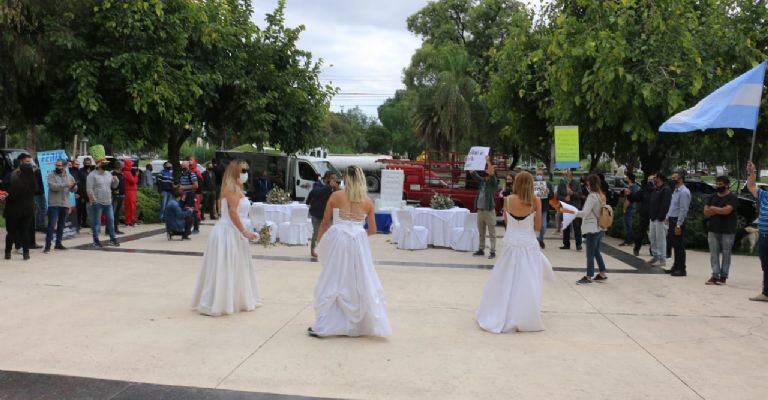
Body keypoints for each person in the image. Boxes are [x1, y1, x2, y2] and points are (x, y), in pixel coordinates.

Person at [308, 165, 391, 338]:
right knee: (359, 279)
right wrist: (358, 235)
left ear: (346, 178)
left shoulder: (336, 196)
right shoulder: (368, 201)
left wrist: (319, 243)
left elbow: (324, 222)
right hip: (358, 242)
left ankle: (330, 322)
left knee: (335, 278)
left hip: (339, 239)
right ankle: (358, 323)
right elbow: (374, 229)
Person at [476, 171, 554, 333]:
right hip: (528, 243)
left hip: (510, 242)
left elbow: (507, 223)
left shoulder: (507, 200)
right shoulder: (536, 201)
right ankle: (524, 314)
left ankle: (502, 310)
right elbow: (538, 227)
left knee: (505, 278)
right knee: (527, 279)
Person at [191, 160, 260, 316]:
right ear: (235, 172)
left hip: (234, 231)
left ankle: (233, 298)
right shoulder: (231, 189)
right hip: (228, 231)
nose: (245, 174)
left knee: (235, 265)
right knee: (225, 266)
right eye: (243, 171)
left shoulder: (238, 188)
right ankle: (219, 300)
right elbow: (233, 212)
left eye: (246, 171)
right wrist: (244, 231)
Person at [562, 175, 608, 284]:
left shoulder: (592, 196)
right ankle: (602, 273)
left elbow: (584, 213)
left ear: (589, 184)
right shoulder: (601, 195)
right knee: (596, 251)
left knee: (590, 253)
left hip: (592, 228)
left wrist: (570, 212)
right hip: (600, 227)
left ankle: (588, 276)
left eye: (587, 182)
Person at [704, 176, 738, 285]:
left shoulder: (732, 197)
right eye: (717, 184)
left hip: (728, 230)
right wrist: (719, 210)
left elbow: (727, 211)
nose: (718, 186)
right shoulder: (712, 197)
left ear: (727, 185)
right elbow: (706, 212)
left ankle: (723, 276)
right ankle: (715, 275)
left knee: (726, 253)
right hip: (713, 229)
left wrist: (713, 208)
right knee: (714, 254)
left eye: (721, 184)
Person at [4, 156, 36, 260]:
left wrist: (4, 197)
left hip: (14, 210)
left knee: (11, 232)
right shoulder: (32, 182)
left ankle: (7, 253)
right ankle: (26, 254)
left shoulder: (17, 182)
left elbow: (11, 196)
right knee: (25, 232)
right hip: (28, 210)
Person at [746, 161, 768, 302]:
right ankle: (766, 293)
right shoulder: (765, 196)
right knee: (765, 265)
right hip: (764, 236)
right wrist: (752, 172)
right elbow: (751, 186)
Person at [44, 159, 76, 253]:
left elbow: (73, 190)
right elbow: (53, 187)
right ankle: (47, 246)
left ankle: (58, 243)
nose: (57, 167)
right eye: (57, 165)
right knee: (51, 225)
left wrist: (74, 186)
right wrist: (66, 184)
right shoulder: (51, 175)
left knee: (61, 225)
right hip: (54, 204)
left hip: (65, 204)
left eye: (60, 165)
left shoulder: (69, 176)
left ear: (64, 166)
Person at [306, 171, 339, 258]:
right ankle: (313, 250)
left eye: (335, 178)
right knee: (316, 232)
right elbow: (317, 193)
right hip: (317, 213)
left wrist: (337, 188)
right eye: (333, 178)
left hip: (329, 214)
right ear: (327, 178)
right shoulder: (317, 184)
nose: (335, 180)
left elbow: (338, 196)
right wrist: (329, 186)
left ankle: (326, 250)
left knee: (329, 233)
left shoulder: (333, 187)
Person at [86, 162, 120, 248]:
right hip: (97, 202)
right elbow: (89, 188)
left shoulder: (108, 174)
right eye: (103, 163)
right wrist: (93, 199)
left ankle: (113, 239)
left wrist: (116, 181)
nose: (106, 165)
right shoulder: (92, 175)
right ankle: (96, 240)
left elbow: (114, 186)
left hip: (108, 202)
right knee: (97, 222)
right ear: (98, 165)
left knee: (111, 220)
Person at [471, 155, 498, 259]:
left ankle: (493, 251)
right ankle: (481, 249)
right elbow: (474, 175)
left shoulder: (493, 183)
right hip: (480, 211)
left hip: (489, 211)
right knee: (481, 232)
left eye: (489, 170)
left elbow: (491, 173)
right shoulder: (483, 182)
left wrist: (488, 161)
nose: (487, 170)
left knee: (492, 232)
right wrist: (469, 164)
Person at [665, 170, 691, 276]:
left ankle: (681, 268)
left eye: (674, 178)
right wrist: (668, 216)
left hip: (677, 221)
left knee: (679, 245)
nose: (672, 179)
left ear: (680, 178)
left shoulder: (684, 192)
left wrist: (679, 224)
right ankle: (675, 266)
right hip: (672, 219)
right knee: (674, 245)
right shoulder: (676, 190)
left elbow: (683, 209)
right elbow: (672, 206)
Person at [626, 174, 655, 257]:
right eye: (650, 179)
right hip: (644, 214)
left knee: (654, 233)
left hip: (654, 215)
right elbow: (635, 197)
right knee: (641, 232)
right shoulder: (644, 189)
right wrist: (629, 194)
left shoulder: (658, 190)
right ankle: (636, 249)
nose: (651, 181)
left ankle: (653, 250)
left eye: (653, 179)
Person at [648, 173, 672, 267]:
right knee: (652, 237)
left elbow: (665, 205)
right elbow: (648, 190)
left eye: (655, 178)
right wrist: (649, 181)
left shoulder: (665, 189)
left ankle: (662, 259)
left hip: (660, 218)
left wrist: (662, 217)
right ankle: (655, 256)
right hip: (653, 217)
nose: (654, 180)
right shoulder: (656, 188)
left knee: (660, 239)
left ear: (659, 179)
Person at [557, 169, 583, 251]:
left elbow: (580, 195)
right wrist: (564, 198)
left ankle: (578, 244)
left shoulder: (577, 184)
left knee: (577, 226)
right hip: (566, 208)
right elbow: (558, 196)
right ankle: (566, 244)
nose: (566, 176)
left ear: (571, 176)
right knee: (566, 226)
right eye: (565, 175)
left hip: (575, 207)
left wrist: (572, 193)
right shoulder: (561, 184)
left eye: (567, 175)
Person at [619, 173, 640, 247]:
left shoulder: (632, 187)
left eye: (627, 177)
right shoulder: (634, 186)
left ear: (630, 179)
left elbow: (629, 200)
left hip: (630, 208)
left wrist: (624, 209)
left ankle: (628, 241)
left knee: (628, 225)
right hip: (632, 208)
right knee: (628, 225)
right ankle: (628, 240)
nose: (625, 178)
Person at [179, 161, 199, 233]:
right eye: (182, 166)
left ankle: (196, 228)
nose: (182, 167)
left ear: (187, 166)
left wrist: (183, 187)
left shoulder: (191, 174)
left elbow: (196, 185)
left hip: (190, 194)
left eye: (184, 166)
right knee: (180, 209)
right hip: (183, 194)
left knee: (192, 210)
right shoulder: (182, 174)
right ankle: (182, 227)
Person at [534, 168, 553, 249]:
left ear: (543, 175)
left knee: (544, 226)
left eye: (540, 174)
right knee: (532, 225)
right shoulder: (532, 183)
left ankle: (540, 239)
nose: (539, 176)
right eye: (537, 174)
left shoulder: (548, 184)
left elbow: (552, 196)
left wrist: (548, 193)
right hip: (533, 208)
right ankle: (533, 241)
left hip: (543, 207)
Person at [76, 158, 93, 228]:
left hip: (91, 193)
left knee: (90, 209)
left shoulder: (93, 170)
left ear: (91, 163)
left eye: (88, 163)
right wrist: (80, 194)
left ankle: (85, 222)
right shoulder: (80, 171)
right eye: (85, 163)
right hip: (83, 193)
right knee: (81, 209)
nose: (87, 164)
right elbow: (79, 183)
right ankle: (79, 224)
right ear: (83, 163)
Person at [110, 161, 126, 235]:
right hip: (115, 196)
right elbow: (110, 184)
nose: (123, 167)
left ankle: (116, 229)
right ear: (119, 166)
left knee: (117, 214)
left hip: (121, 195)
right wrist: (113, 191)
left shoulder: (121, 174)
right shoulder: (112, 174)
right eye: (122, 165)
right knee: (112, 213)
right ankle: (109, 229)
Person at [122, 159, 139, 227]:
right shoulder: (127, 172)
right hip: (130, 191)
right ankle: (129, 221)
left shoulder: (127, 172)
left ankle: (131, 221)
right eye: (131, 165)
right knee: (130, 206)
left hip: (131, 191)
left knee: (132, 206)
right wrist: (136, 175)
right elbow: (133, 181)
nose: (132, 166)